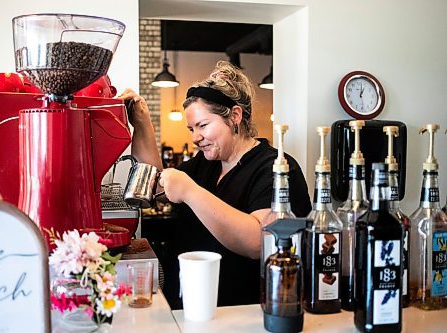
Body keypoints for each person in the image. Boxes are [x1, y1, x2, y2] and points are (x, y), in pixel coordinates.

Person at [118, 61, 311, 309]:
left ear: (234, 116)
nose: (195, 137)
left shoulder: (277, 167)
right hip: (191, 303)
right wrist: (142, 122)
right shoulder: (206, 163)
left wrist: (190, 191)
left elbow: (259, 242)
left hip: (244, 311)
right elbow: (154, 181)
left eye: (203, 125)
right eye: (191, 129)